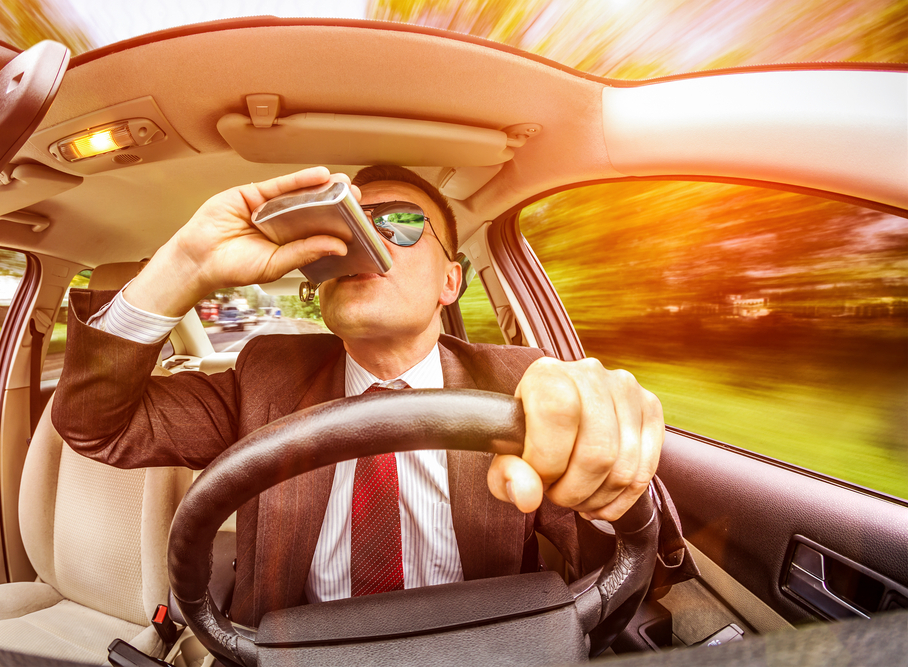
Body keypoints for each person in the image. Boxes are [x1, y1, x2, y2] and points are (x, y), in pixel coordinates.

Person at [53, 165, 694, 626]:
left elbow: (628, 550)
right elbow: (94, 427)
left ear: (450, 282)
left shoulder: (521, 380)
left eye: (404, 224)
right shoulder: (265, 373)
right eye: (350, 222)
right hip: (300, 647)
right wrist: (185, 267)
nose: (369, 239)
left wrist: (611, 448)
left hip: (476, 646)